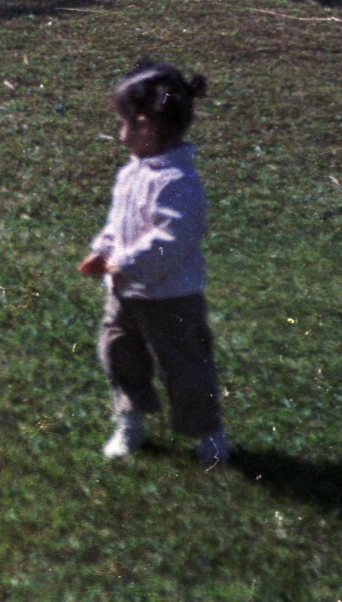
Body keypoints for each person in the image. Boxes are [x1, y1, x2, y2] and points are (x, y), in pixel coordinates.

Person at [78, 59, 232, 466]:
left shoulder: (178, 182)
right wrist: (105, 249)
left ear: (146, 126)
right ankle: (130, 419)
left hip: (171, 298)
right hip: (126, 293)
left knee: (183, 365)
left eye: (124, 124)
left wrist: (127, 262)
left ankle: (209, 431)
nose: (121, 133)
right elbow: (119, 222)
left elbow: (173, 238)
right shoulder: (132, 173)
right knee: (119, 352)